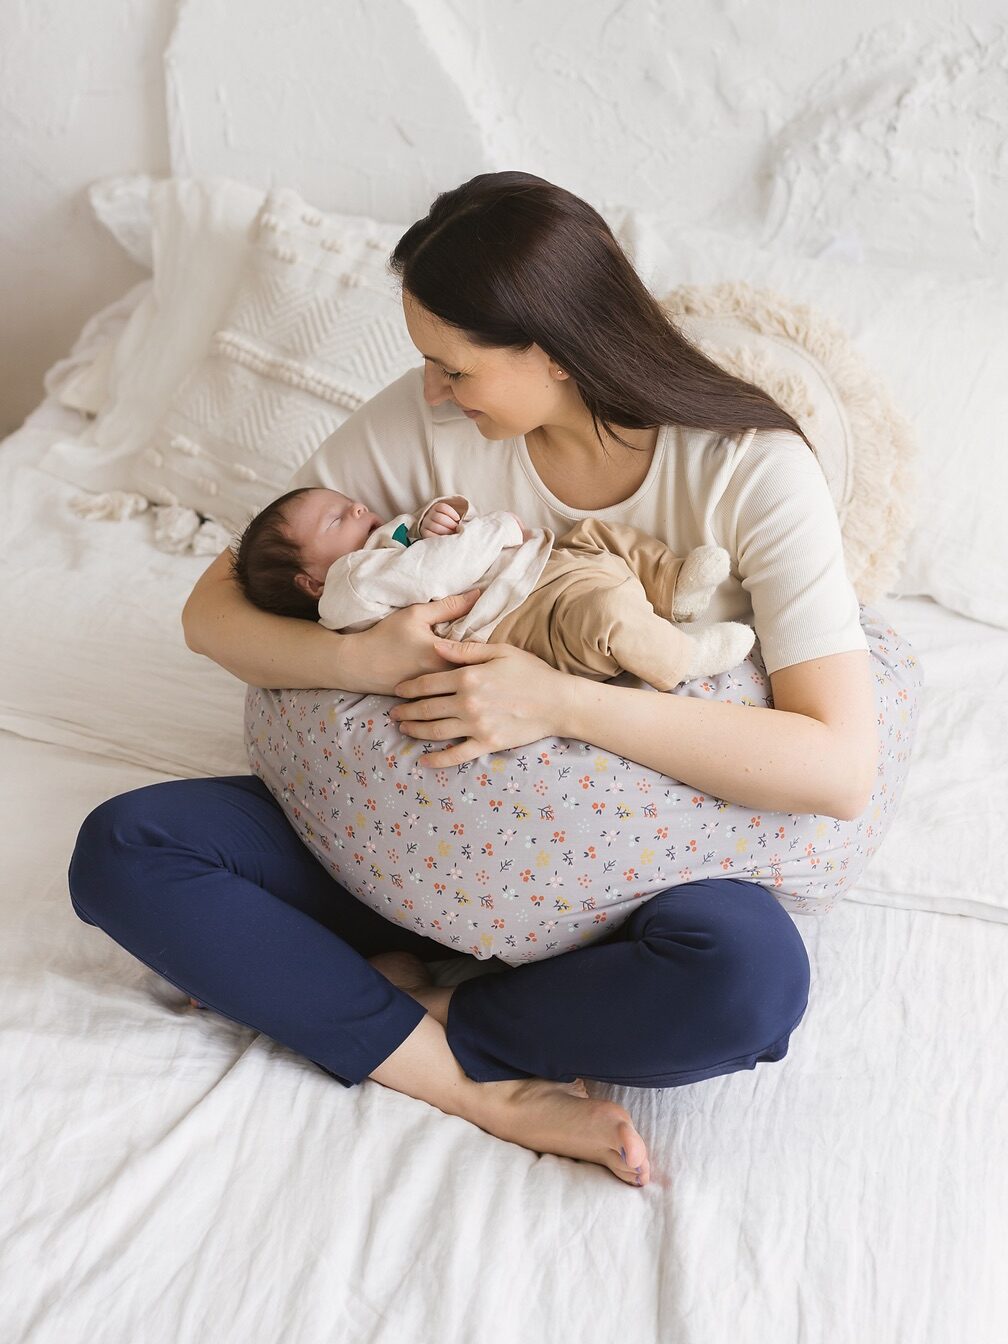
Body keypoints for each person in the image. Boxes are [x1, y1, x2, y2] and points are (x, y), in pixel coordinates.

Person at [67, 171, 886, 1193]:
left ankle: (447, 1016)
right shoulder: (431, 428)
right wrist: (367, 658)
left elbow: (840, 765)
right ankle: (466, 1082)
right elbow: (213, 612)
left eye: (452, 368)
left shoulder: (748, 469)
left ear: (552, 349)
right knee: (126, 851)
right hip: (404, 845)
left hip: (619, 893)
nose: (431, 393)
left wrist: (561, 703)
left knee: (751, 986)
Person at [229, 484, 756, 690]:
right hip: (518, 616)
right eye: (335, 519)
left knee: (596, 536)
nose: (358, 508)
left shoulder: (381, 544)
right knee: (602, 612)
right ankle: (681, 658)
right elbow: (436, 573)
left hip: (533, 570)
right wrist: (499, 529)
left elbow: (437, 540)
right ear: (310, 579)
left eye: (347, 500)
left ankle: (673, 585)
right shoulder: (348, 584)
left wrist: (444, 514)